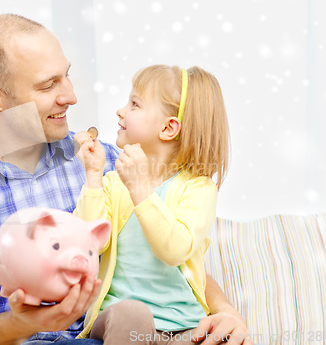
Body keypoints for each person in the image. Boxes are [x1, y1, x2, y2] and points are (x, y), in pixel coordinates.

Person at [0, 14, 251, 345]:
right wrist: (21, 323)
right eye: (49, 84)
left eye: (66, 75)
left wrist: (225, 311)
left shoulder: (110, 161)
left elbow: (166, 257)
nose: (70, 96)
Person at [73, 65, 252, 344]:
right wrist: (93, 177)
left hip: (183, 326)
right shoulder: (114, 181)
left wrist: (139, 188)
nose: (120, 111)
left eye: (134, 104)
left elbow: (175, 250)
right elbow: (87, 245)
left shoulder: (198, 188)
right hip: (122, 321)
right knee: (132, 314)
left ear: (168, 128)